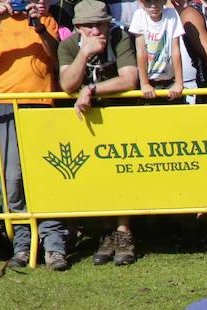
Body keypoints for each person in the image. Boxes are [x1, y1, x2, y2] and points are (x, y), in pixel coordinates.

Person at [58, 0, 141, 267]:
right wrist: (84, 55)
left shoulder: (120, 37)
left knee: (122, 177)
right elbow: (67, 84)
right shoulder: (69, 46)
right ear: (78, 27)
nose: (97, 31)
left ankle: (124, 235)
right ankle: (107, 235)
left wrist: (91, 90)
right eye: (90, 26)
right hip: (88, 124)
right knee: (99, 179)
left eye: (101, 24)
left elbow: (129, 79)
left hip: (120, 117)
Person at [0, 0, 69, 270]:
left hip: (41, 104)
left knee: (45, 177)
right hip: (4, 106)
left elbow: (58, 58)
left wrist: (39, 27)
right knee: (11, 179)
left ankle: (54, 245)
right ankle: (22, 244)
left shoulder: (46, 20)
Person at [131, 0, 186, 99]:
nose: (153, 5)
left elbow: (175, 50)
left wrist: (178, 82)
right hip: (148, 81)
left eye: (157, 1)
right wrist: (144, 84)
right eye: (148, 1)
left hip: (170, 81)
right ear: (141, 2)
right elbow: (141, 52)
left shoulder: (172, 14)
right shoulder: (139, 15)